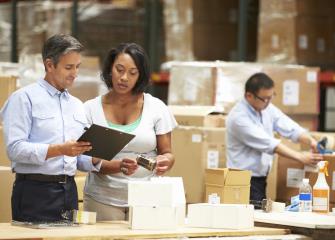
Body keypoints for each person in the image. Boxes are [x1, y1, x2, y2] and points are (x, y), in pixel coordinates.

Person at [0, 34, 101, 223]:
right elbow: (15, 149)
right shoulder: (23, 99)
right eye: (68, 67)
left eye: (77, 67)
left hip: (69, 191)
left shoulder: (77, 105)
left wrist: (98, 157)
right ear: (49, 65)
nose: (75, 73)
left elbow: (77, 158)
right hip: (34, 191)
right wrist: (59, 149)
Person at [83, 43, 177, 221]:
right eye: (119, 70)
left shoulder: (156, 107)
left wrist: (165, 161)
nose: (124, 78)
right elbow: (87, 160)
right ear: (110, 69)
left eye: (133, 73)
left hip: (147, 199)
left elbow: (167, 153)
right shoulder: (90, 109)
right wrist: (118, 165)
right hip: (103, 199)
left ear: (140, 76)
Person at [226, 72, 323, 203]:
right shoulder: (238, 118)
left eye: (271, 97)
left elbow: (290, 127)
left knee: (258, 214)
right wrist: (301, 157)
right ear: (249, 95)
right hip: (241, 179)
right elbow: (269, 144)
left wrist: (311, 141)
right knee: (250, 218)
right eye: (265, 98)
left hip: (259, 178)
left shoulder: (266, 108)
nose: (268, 102)